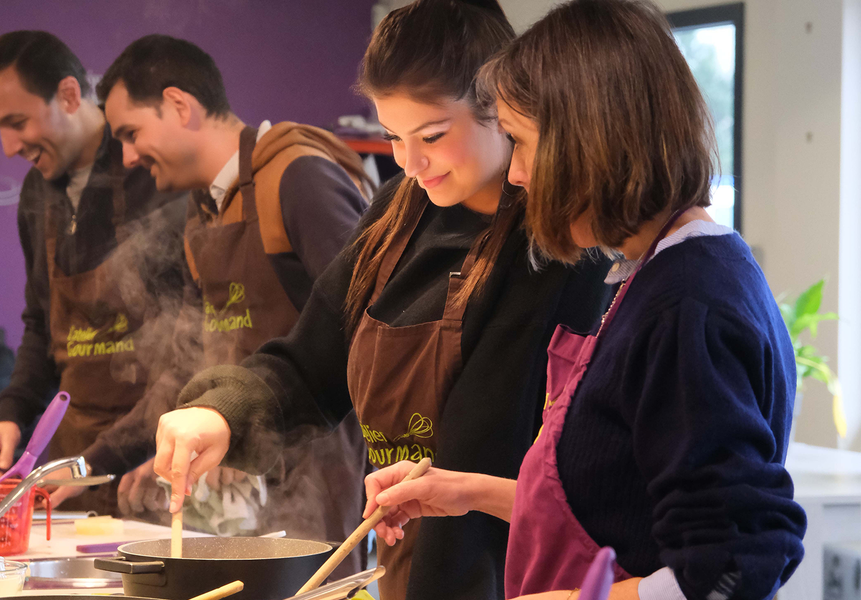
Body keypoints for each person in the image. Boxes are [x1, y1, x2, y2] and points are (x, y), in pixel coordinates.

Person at [152, 1, 613, 599]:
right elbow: (310, 362)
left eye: (433, 136)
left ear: (501, 108)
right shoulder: (398, 214)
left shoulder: (561, 242)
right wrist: (218, 414)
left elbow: (578, 465)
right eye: (393, 137)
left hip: (520, 578)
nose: (411, 162)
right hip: (407, 567)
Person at [361, 2, 807, 599]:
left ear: (589, 142)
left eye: (520, 143)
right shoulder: (661, 272)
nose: (515, 175)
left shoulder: (686, 306)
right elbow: (616, 505)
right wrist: (462, 491)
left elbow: (735, 565)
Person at [72, 34, 372, 569]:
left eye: (131, 133)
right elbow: (183, 368)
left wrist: (255, 431)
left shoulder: (298, 176)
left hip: (318, 479)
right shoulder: (202, 209)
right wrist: (105, 464)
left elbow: (370, 329)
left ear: (181, 106)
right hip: (234, 486)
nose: (128, 156)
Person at [0, 31, 187, 515]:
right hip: (70, 463)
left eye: (16, 122)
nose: (8, 147)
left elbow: (199, 331)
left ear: (67, 94)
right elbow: (40, 326)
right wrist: (12, 414)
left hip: (158, 457)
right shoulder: (37, 197)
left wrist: (174, 426)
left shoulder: (153, 170)